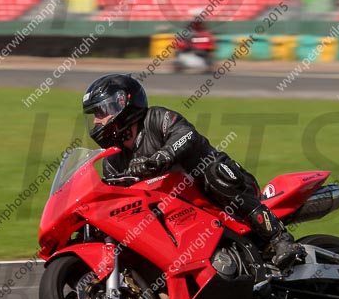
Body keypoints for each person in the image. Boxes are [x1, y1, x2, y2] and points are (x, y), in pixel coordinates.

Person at [81, 73, 306, 271]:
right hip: (178, 213)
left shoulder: (157, 118)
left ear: (124, 104)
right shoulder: (112, 158)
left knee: (214, 171)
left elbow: (186, 135)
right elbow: (112, 197)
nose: (97, 121)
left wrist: (160, 157)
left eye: (101, 112)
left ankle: (280, 238)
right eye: (94, 115)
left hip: (218, 188)